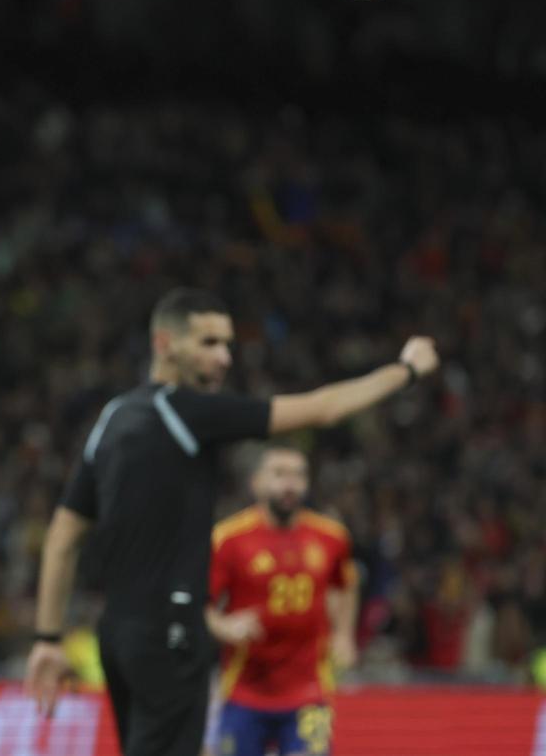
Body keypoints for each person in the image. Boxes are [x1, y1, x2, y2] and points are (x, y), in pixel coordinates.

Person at [24, 287, 436, 756]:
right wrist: (406, 371)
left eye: (227, 345)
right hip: (171, 633)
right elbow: (323, 408)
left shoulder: (113, 418)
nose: (223, 358)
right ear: (165, 344)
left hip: (117, 635)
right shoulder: (188, 411)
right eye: (208, 343)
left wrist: (47, 637)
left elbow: (62, 535)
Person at [205, 445, 357, 756]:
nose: (290, 484)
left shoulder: (331, 537)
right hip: (244, 690)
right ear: (256, 482)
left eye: (298, 475)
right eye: (279, 474)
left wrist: (344, 634)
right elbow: (200, 605)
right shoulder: (228, 539)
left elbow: (345, 584)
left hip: (310, 690)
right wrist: (224, 626)